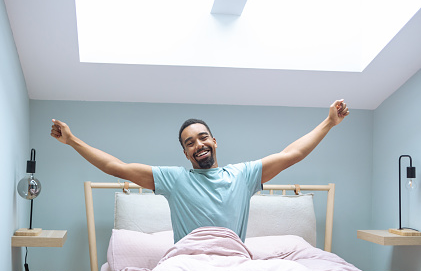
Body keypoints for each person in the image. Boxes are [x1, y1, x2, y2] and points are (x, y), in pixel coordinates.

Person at [51, 100, 349, 243]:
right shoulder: (174, 179)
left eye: (203, 137)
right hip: (187, 262)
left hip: (233, 261)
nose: (198, 145)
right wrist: (72, 140)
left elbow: (291, 154)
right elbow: (117, 167)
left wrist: (328, 122)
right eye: (189, 143)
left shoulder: (243, 176)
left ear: (214, 141)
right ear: (185, 152)